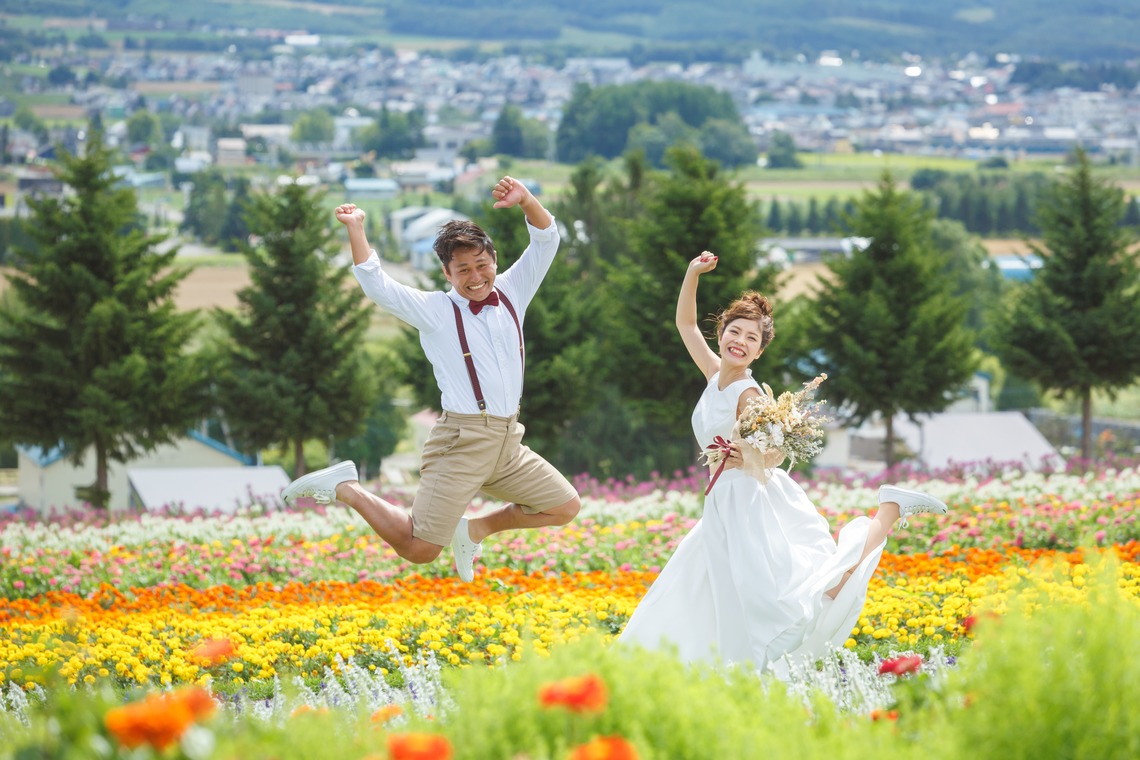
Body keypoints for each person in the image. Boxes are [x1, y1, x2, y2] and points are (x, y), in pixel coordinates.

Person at [617, 250, 949, 672]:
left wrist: (746, 454)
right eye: (734, 331)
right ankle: (700, 671)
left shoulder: (750, 394)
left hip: (751, 504)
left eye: (751, 339)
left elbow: (775, 452)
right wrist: (692, 273)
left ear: (759, 352)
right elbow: (685, 323)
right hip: (721, 505)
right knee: (702, 591)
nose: (740, 341)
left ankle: (887, 512)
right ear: (721, 333)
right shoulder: (714, 374)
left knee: (799, 598)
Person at [280, 176, 580, 582]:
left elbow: (547, 239)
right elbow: (378, 286)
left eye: (482, 265)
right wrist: (356, 228)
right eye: (463, 270)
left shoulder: (513, 291)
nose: (476, 277)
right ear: (446, 273)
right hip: (463, 442)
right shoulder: (436, 311)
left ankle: (475, 529)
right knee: (419, 549)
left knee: (563, 507)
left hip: (508, 440)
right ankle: (346, 486)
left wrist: (526, 199)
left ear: (494, 259)